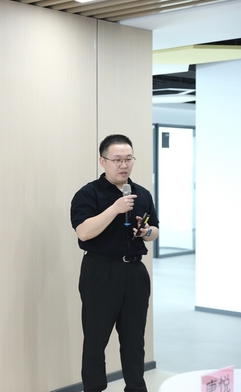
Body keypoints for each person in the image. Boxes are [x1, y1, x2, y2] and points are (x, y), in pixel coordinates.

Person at [70, 134, 159, 392]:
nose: (124, 165)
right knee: (95, 340)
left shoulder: (142, 193)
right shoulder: (88, 193)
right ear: (103, 161)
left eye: (128, 159)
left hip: (135, 272)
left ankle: (136, 388)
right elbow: (84, 232)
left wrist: (146, 232)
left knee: (135, 340)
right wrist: (115, 209)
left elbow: (155, 230)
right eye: (117, 159)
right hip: (100, 271)